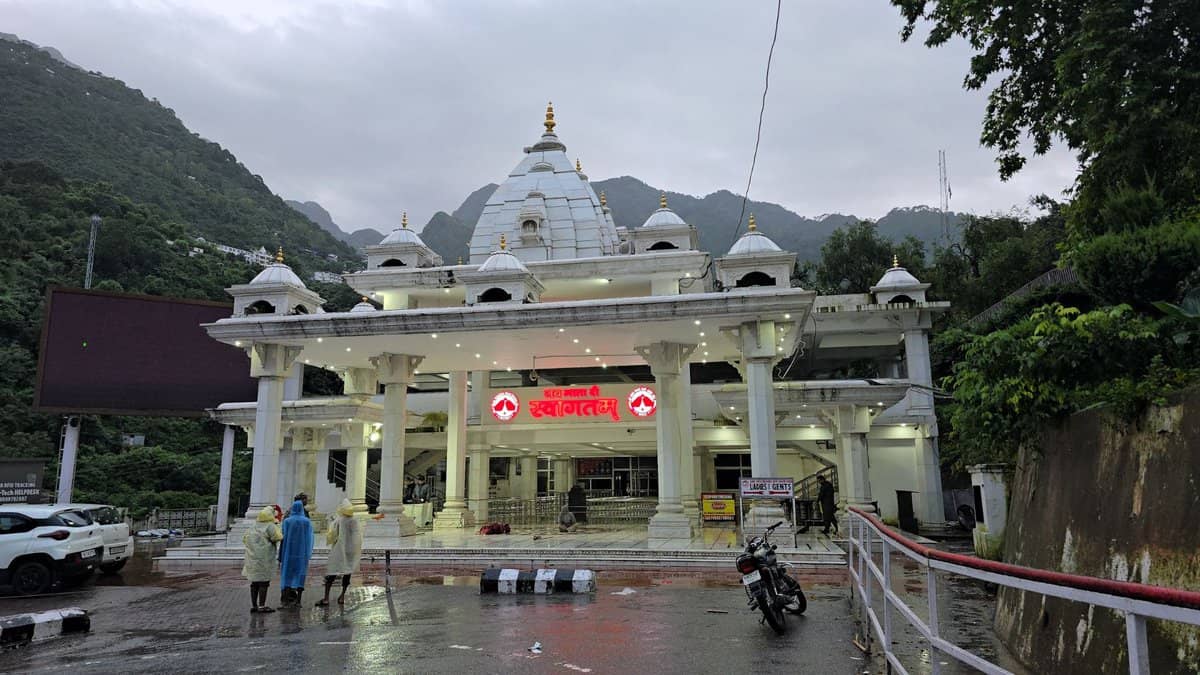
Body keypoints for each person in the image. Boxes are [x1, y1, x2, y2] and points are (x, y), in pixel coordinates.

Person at [317, 499, 362, 607]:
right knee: (347, 573)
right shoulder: (354, 520)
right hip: (350, 550)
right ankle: (342, 597)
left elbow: (331, 535)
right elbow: (357, 536)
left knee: (332, 572)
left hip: (339, 549)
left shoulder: (339, 520)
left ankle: (326, 598)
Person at [242, 506, 282, 614]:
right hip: (265, 557)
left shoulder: (253, 526)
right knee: (264, 582)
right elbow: (277, 537)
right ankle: (262, 606)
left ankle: (254, 605)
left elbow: (244, 539)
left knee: (254, 582)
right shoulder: (270, 526)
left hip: (253, 557)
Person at [278, 499, 314, 608]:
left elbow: (283, 537)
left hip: (288, 552)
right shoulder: (306, 522)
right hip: (301, 553)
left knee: (287, 575)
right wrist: (308, 553)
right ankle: (298, 601)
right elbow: (310, 538)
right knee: (300, 574)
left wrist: (281, 554)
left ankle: (285, 601)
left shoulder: (287, 521)